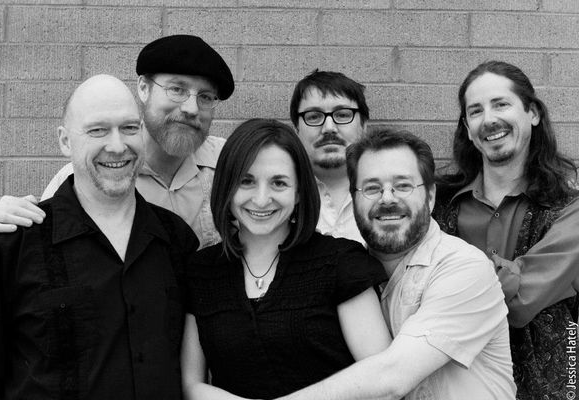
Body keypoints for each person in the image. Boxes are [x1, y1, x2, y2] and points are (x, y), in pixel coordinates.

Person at [0, 75, 199, 399]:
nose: (117, 146)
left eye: (129, 128)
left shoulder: (178, 241)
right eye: (98, 130)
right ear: (65, 141)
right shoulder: (14, 243)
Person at [278, 128, 515, 400]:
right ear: (354, 200)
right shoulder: (347, 274)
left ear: (430, 196)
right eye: (372, 188)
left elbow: (392, 378)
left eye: (403, 185)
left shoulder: (464, 268)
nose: (387, 198)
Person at [180, 119, 391, 399]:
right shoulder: (201, 271)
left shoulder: (341, 263)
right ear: (227, 187)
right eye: (246, 181)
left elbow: (381, 377)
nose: (261, 199)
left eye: (278, 183)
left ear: (299, 192)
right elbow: (192, 384)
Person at [0, 34, 234, 249]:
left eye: (205, 96)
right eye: (177, 89)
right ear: (144, 88)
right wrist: (4, 232)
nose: (191, 108)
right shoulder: (84, 175)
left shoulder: (231, 165)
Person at [433, 60, 579, 399]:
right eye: (476, 111)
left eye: (501, 104)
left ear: (532, 113)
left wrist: (452, 286)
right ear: (467, 128)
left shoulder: (570, 210)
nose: (489, 119)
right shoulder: (439, 205)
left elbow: (519, 303)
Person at [289, 70, 369, 244]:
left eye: (342, 115)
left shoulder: (392, 196)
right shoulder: (279, 197)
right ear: (296, 130)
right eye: (314, 117)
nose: (329, 128)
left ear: (363, 126)